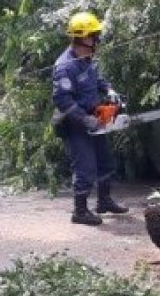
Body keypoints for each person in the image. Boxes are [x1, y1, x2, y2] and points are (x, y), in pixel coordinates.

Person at [51, 11, 128, 226]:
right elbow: (63, 101)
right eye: (94, 35)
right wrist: (85, 120)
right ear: (83, 37)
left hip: (94, 117)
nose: (97, 39)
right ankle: (80, 211)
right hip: (74, 123)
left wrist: (110, 90)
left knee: (105, 161)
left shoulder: (88, 59)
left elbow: (98, 79)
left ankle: (104, 201)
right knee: (85, 167)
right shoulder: (64, 66)